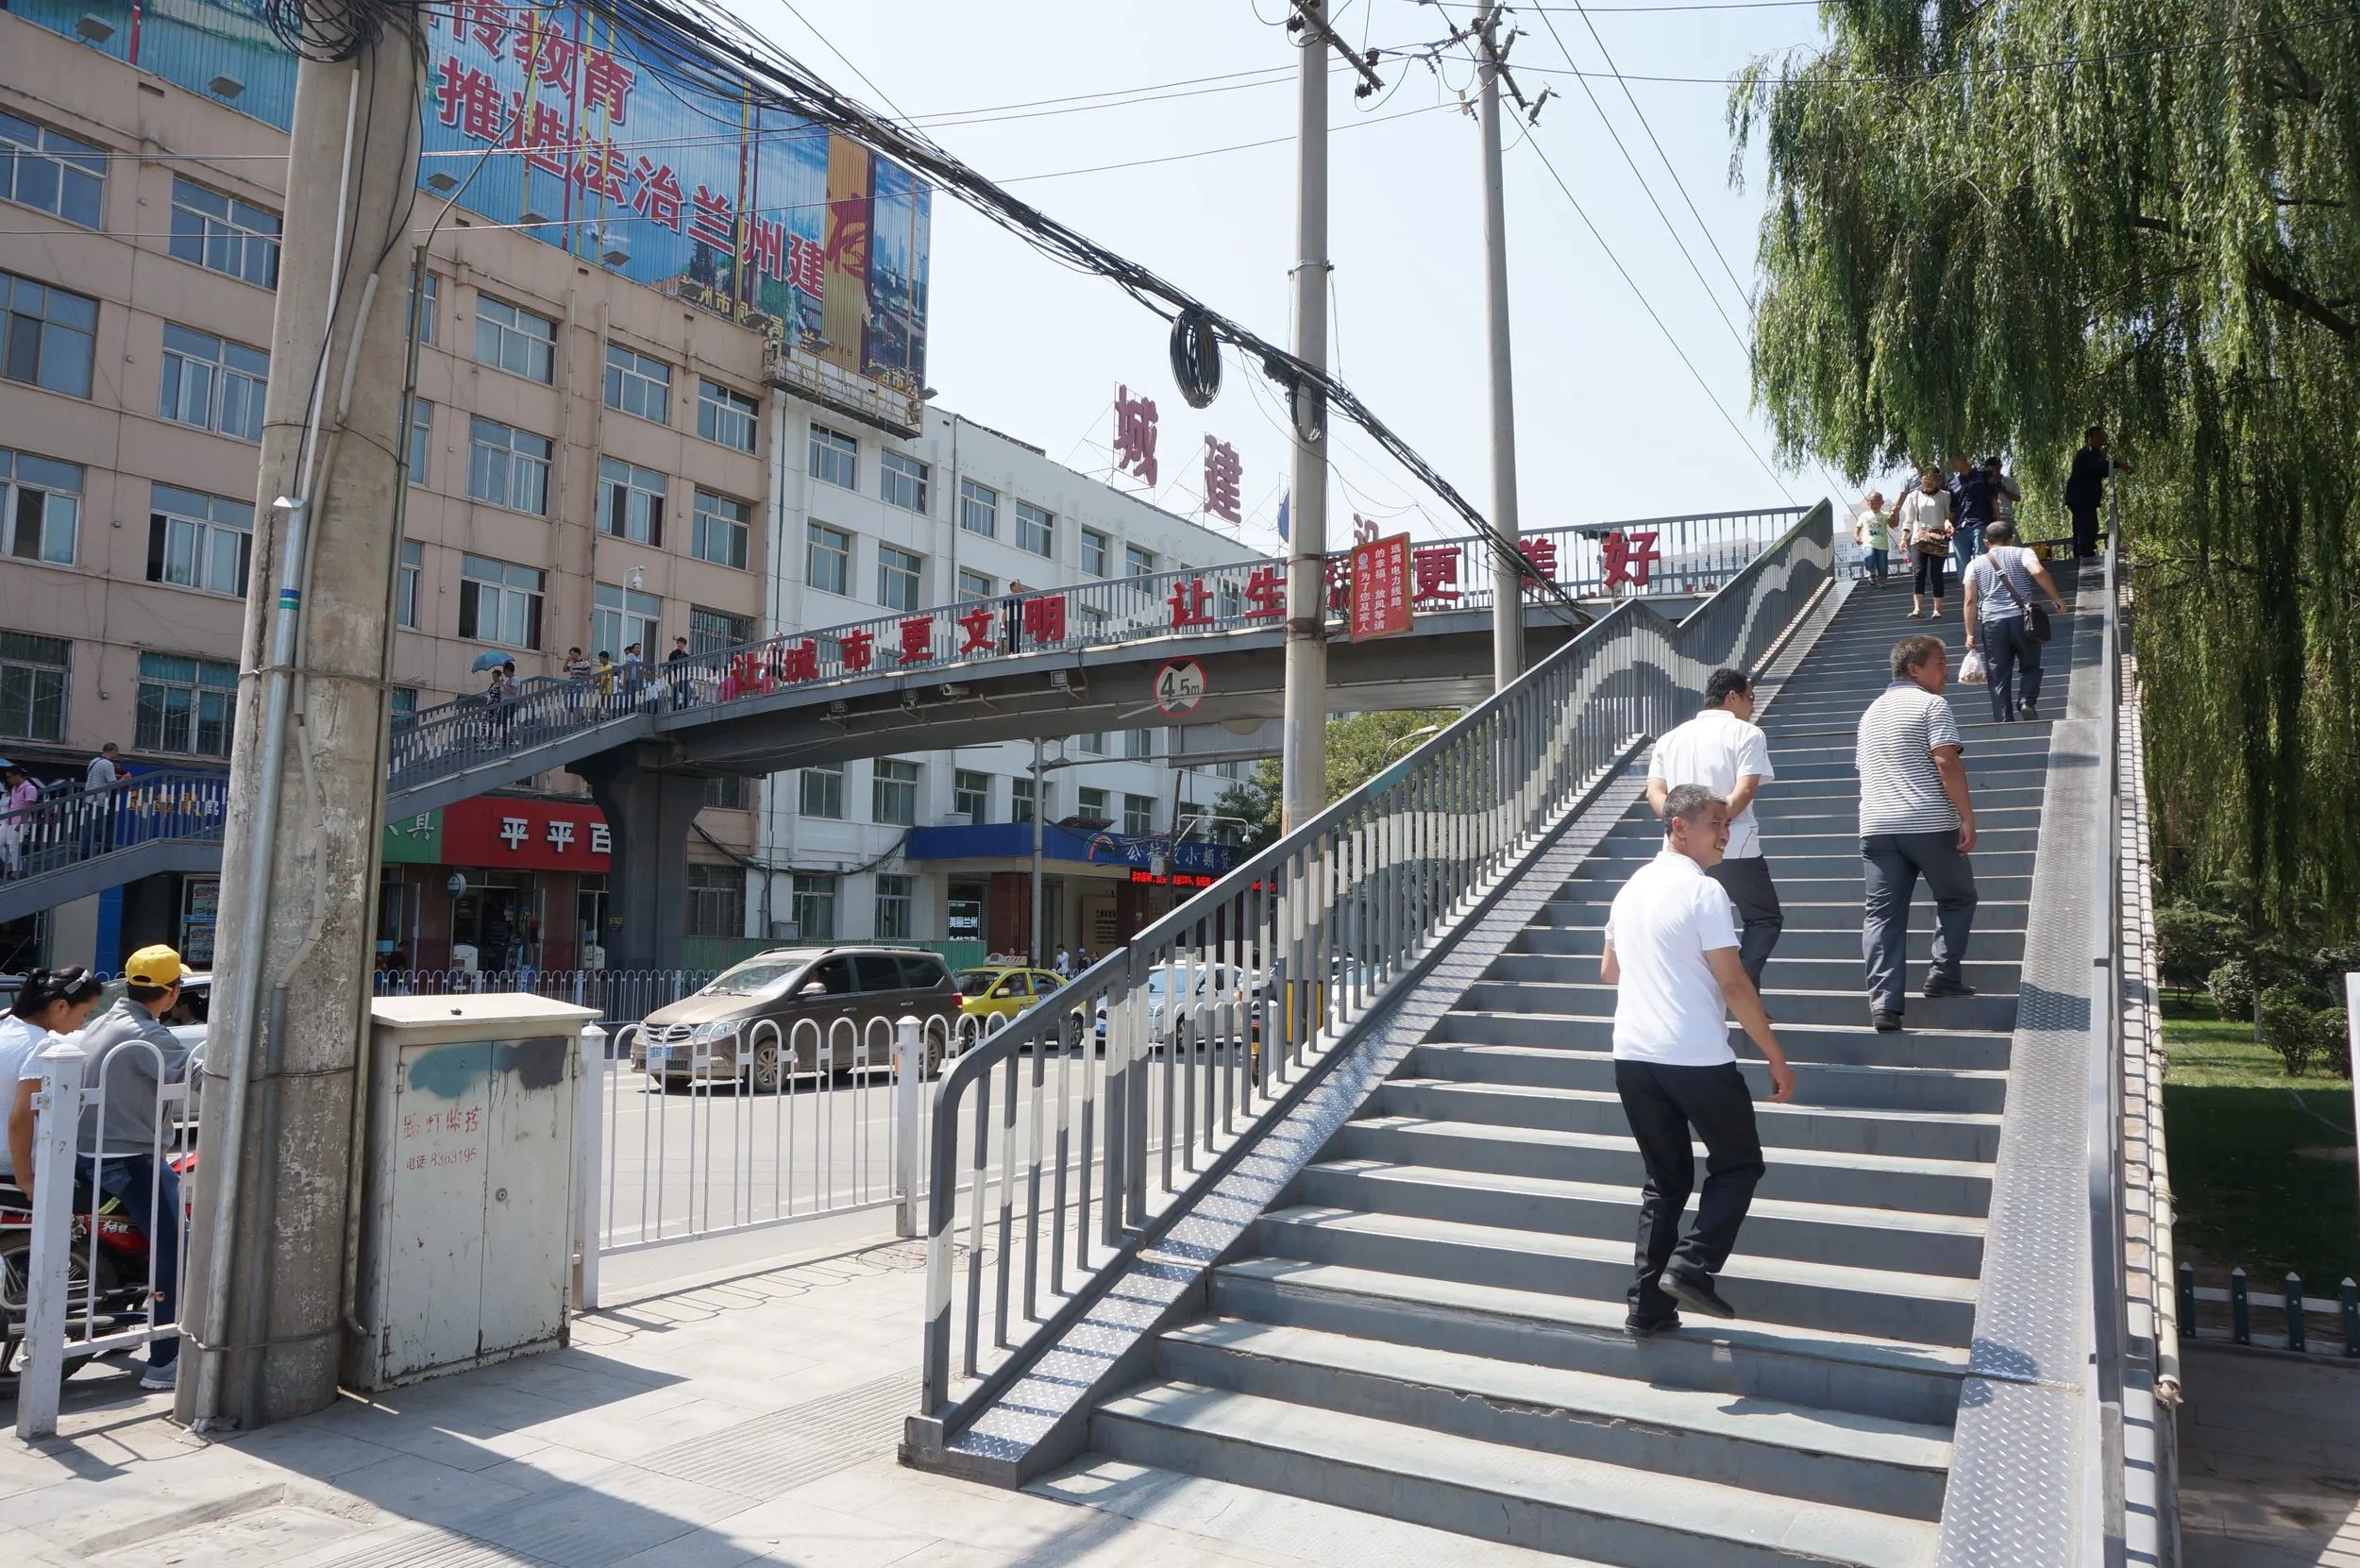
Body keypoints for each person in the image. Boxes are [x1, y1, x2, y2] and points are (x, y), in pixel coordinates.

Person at [1602, 783, 1795, 1333]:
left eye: (1727, 824)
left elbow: (1610, 972)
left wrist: (1663, 970)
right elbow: (1733, 984)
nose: (1725, 833)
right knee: (1739, 1163)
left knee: (1664, 1182)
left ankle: (1647, 1308)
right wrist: (1775, 1056)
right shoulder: (1704, 891)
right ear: (1679, 826)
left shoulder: (1630, 889)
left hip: (1633, 1055)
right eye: (1716, 823)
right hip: (1694, 1056)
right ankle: (1692, 1264)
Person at [66, 945, 194, 1388]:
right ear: (172, 991)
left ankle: (118, 1327)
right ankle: (164, 1362)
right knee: (177, 1249)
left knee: (138, 1243)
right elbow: (202, 1076)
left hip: (87, 1155)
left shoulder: (104, 1020)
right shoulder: (148, 1036)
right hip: (128, 1160)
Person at [1858, 636, 1980, 1031]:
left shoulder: (1870, 713)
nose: (1947, 672)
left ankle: (1884, 1006)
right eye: (1940, 664)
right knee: (1957, 897)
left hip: (1877, 827)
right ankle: (1944, 973)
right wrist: (1966, 816)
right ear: (1914, 669)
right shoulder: (1931, 705)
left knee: (1882, 916)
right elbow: (1946, 761)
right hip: (1928, 823)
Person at [1647, 668, 1782, 984]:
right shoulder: (1746, 733)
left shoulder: (1669, 739)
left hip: (1681, 851)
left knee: (1689, 927)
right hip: (1734, 848)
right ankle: (1736, 987)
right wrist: (1716, 829)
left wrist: (1685, 829)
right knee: (1764, 919)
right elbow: (1744, 791)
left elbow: (1655, 793)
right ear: (1732, 696)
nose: (1752, 707)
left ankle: (1719, 991)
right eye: (1750, 698)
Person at [4, 966, 106, 1189]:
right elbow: (21, 1118)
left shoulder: (6, 1026)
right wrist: (25, 1179)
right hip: (13, 1170)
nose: (83, 1023)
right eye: (85, 1014)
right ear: (61, 1006)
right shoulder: (41, 1046)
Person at [1963, 520, 2068, 722]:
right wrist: (2056, 598)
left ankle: (2004, 719)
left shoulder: (1974, 564)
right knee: (2030, 665)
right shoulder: (2023, 553)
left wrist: (1970, 633)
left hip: (1992, 623)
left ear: (1986, 541)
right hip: (2023, 620)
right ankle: (2026, 701)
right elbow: (2038, 572)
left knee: (1998, 674)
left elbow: (1970, 600)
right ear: (2012, 539)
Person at [2065, 425, 2132, 559]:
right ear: (2089, 439)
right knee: (2088, 526)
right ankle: (2085, 555)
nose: (2102, 440)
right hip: (2081, 499)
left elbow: (2101, 470)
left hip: (2083, 499)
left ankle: (2079, 553)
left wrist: (2113, 466)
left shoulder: (2093, 454)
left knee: (2083, 526)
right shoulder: (2086, 453)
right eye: (2099, 437)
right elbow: (2098, 467)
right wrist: (2118, 465)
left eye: (2103, 437)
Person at [1896, 468, 1953, 620]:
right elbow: (1909, 520)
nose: (1929, 481)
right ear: (1921, 479)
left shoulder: (1945, 495)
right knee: (1919, 572)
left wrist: (1948, 525)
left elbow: (1948, 516)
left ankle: (1937, 609)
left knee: (1936, 574)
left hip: (1938, 538)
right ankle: (1917, 609)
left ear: (1938, 479)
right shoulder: (1914, 495)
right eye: (1926, 478)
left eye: (1933, 478)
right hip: (1919, 538)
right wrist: (1903, 539)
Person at [1947, 453, 1991, 572]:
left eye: (1953, 461)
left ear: (1963, 457)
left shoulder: (1983, 474)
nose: (1952, 465)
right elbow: (1953, 508)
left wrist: (1997, 521)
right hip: (1960, 528)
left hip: (1980, 523)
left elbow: (1993, 498)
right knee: (1963, 569)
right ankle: (1966, 585)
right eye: (1950, 463)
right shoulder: (1953, 484)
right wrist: (1948, 522)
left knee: (1982, 563)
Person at [0, 761, 35, 878]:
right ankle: (9, 864)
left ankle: (16, 870)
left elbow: (28, 807)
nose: (8, 779)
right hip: (9, 820)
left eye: (10, 777)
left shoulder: (29, 788)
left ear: (17, 775)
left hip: (19, 821)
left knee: (13, 847)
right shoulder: (15, 788)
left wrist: (22, 823)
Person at [1854, 492, 1892, 587]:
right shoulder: (1864, 515)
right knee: (1869, 557)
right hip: (1868, 542)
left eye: (1878, 503)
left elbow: (1893, 524)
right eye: (1872, 503)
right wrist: (1857, 537)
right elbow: (1858, 527)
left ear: (1882, 503)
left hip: (1882, 544)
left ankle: (1882, 583)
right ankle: (1872, 572)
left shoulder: (1886, 515)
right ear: (1868, 503)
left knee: (1882, 565)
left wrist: (1895, 513)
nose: (1875, 506)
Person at [1982, 456, 2021, 536]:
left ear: (2000, 467)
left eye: (1997, 469)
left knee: (2014, 541)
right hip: (1988, 517)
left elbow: (2018, 498)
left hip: (2006, 516)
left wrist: (2004, 491)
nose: (1995, 472)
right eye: (1991, 470)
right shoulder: (1982, 483)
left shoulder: (2009, 481)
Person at [562, 647, 592, 718]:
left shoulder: (584, 662)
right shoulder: (573, 663)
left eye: (572, 654)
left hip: (578, 686)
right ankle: (581, 718)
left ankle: (580, 719)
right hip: (570, 685)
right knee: (567, 703)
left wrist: (578, 671)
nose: (571, 656)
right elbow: (564, 669)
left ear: (577, 653)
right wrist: (567, 661)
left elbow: (588, 672)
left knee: (575, 704)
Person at [666, 635, 694, 710]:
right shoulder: (673, 654)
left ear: (684, 645)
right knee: (675, 696)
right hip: (675, 677)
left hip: (684, 678)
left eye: (681, 643)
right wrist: (674, 678)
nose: (679, 644)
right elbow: (670, 667)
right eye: (678, 643)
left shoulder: (686, 656)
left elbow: (687, 668)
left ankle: (681, 708)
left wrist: (690, 675)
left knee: (689, 694)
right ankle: (674, 710)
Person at [594, 651, 617, 716]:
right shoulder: (602, 667)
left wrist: (602, 689)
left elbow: (606, 679)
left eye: (601, 658)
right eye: (599, 658)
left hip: (606, 690)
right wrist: (595, 683)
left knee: (600, 705)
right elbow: (600, 677)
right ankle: (612, 716)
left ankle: (612, 716)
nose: (600, 660)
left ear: (606, 658)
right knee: (603, 705)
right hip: (603, 690)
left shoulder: (608, 667)